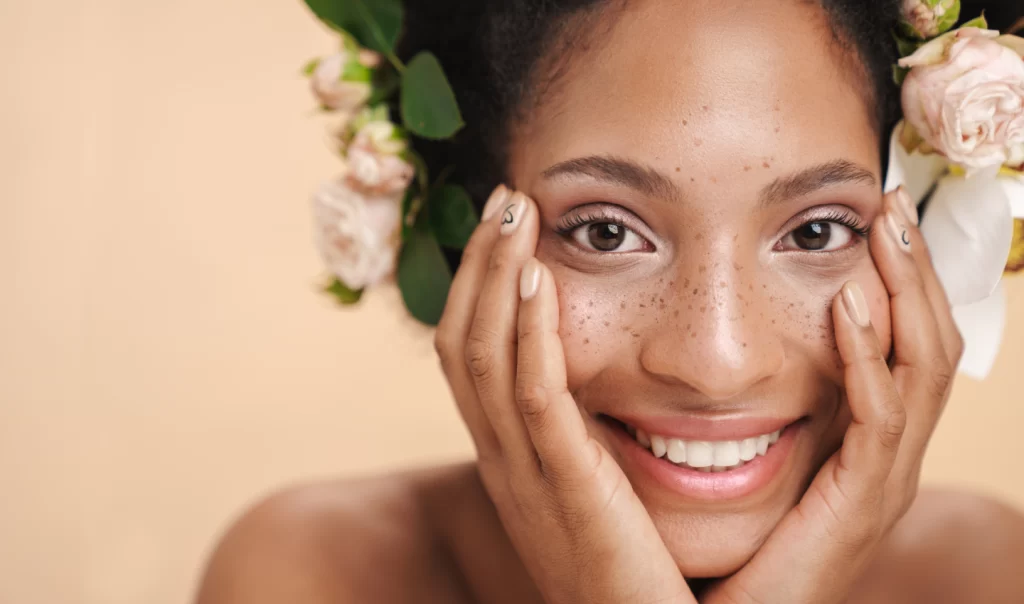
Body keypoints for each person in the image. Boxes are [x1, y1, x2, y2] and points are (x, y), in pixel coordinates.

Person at [195, 0, 1024, 602]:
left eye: (814, 234)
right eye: (604, 234)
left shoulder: (988, 576)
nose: (716, 361)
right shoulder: (312, 573)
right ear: (466, 242)